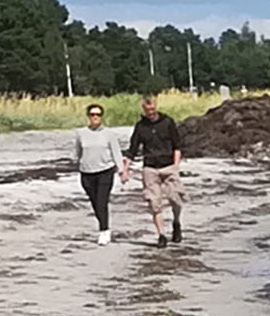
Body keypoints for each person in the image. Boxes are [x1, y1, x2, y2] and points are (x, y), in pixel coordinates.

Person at [122, 95, 186, 247]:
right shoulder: (140, 127)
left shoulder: (167, 122)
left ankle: (176, 223)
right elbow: (132, 149)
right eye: (147, 110)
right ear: (143, 110)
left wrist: (176, 167)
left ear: (156, 107)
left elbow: (177, 145)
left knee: (176, 199)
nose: (150, 112)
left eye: (152, 109)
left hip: (169, 166)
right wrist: (125, 170)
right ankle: (161, 235)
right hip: (150, 168)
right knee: (154, 202)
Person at [74, 104, 126, 244]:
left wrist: (122, 170)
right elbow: (78, 152)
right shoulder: (81, 133)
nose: (95, 117)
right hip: (87, 172)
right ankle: (103, 225)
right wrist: (77, 163)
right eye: (92, 114)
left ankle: (104, 230)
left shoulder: (109, 134)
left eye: (97, 114)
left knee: (102, 201)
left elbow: (116, 152)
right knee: (94, 202)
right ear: (88, 116)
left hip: (105, 171)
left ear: (101, 117)